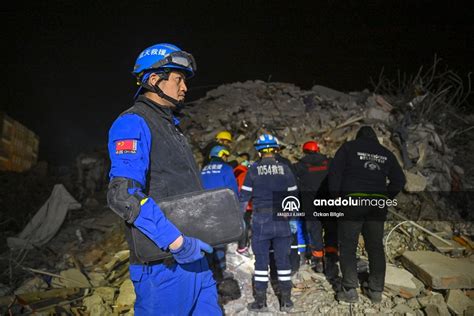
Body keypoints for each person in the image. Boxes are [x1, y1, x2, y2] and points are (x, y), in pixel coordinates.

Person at [107, 43, 221, 315]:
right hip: (164, 265)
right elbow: (122, 194)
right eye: (179, 79)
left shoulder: (172, 127)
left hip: (196, 258)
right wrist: (177, 243)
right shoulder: (133, 123)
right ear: (154, 79)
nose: (185, 87)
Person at [328, 126, 405, 304]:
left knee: (348, 245)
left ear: (358, 136)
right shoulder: (386, 153)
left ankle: (349, 290)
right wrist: (385, 196)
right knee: (375, 246)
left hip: (352, 201)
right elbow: (399, 180)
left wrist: (337, 198)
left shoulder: (348, 148)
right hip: (377, 204)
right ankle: (376, 290)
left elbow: (335, 174)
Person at [240, 134, 297, 312]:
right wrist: (292, 218)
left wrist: (239, 222)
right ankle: (286, 301)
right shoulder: (285, 169)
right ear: (276, 149)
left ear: (259, 151)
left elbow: (243, 199)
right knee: (283, 261)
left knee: (261, 262)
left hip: (261, 221)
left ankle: (260, 302)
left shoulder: (253, 170)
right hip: (282, 219)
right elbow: (293, 197)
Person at [293, 140, 335, 274]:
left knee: (315, 231)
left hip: (310, 205)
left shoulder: (300, 166)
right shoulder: (329, 162)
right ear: (317, 150)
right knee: (331, 230)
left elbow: (294, 184)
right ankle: (332, 259)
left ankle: (318, 261)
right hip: (328, 203)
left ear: (305, 151)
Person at [201, 145, 239, 280]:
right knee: (221, 242)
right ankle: (221, 271)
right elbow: (232, 191)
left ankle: (209, 270)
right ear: (222, 155)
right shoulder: (226, 169)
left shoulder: (203, 169)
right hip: (220, 209)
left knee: (208, 240)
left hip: (204, 210)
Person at [233, 154, 252, 257]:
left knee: (243, 223)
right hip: (246, 203)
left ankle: (242, 244)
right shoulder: (245, 173)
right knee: (245, 224)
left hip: (236, 201)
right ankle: (242, 247)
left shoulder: (235, 171)